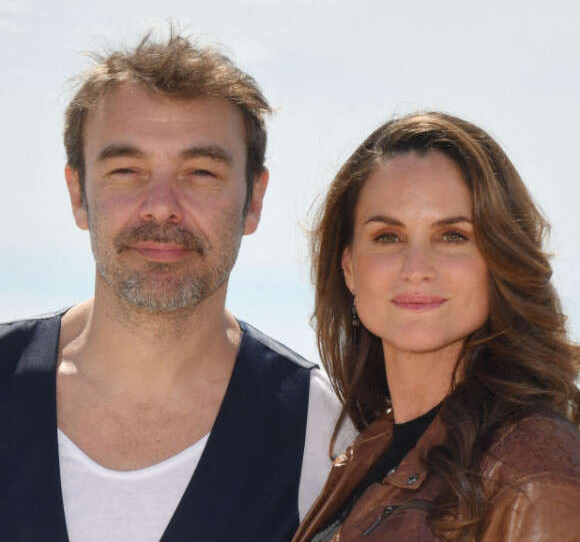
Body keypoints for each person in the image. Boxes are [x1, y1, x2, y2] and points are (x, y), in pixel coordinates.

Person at [0, 28, 353, 542]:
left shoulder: (325, 438)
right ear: (78, 195)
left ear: (253, 200)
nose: (162, 203)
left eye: (201, 172)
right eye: (125, 169)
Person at [293, 112, 580, 542]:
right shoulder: (368, 452)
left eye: (453, 236)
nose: (416, 268)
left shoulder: (531, 469)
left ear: (498, 260)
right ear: (349, 266)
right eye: (388, 236)